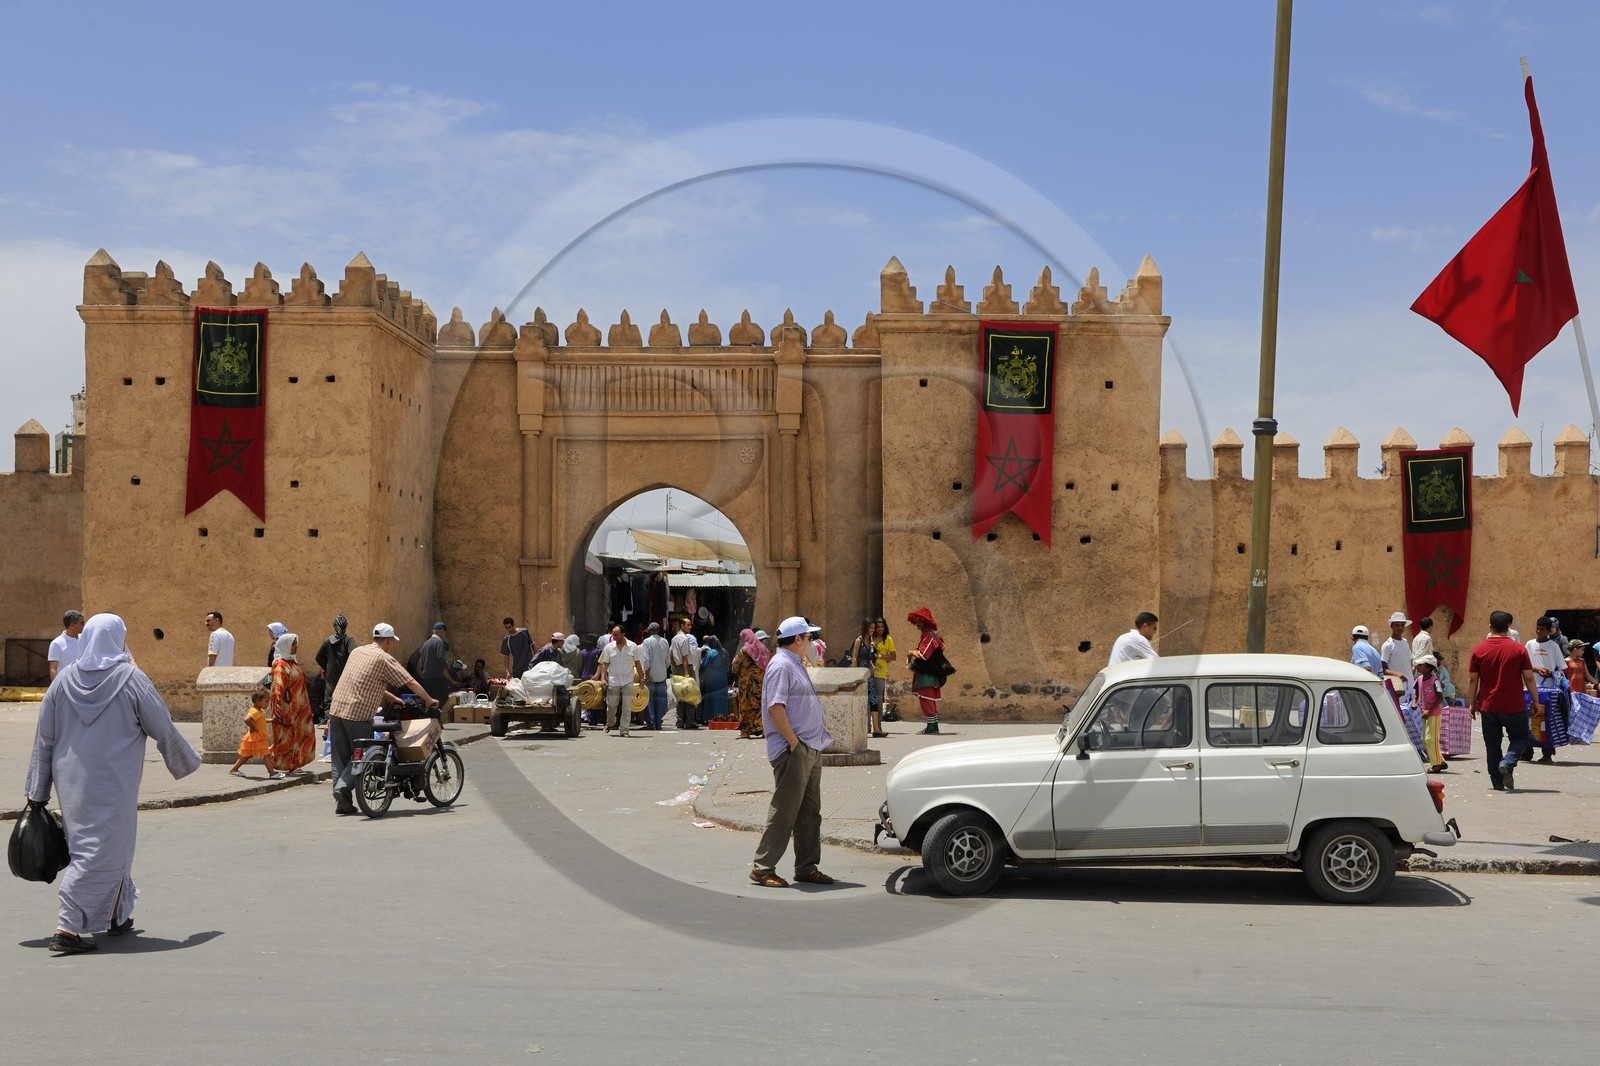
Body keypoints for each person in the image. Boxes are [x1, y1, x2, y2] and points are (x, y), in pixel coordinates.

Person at [24, 613, 201, 953]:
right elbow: (161, 724)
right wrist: (186, 761)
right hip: (114, 781)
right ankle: (68, 927)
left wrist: (37, 791)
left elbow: (44, 739)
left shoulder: (62, 681)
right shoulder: (132, 679)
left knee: (105, 846)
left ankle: (116, 914)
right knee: (96, 850)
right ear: (118, 639)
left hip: (70, 780)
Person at [748, 616, 837, 889]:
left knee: (810, 811)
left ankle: (807, 866)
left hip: (810, 745)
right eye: (809, 637)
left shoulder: (795, 663)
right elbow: (776, 708)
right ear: (797, 639)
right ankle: (763, 868)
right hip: (793, 749)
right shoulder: (781, 666)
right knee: (785, 810)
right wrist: (794, 743)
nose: (812, 641)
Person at [327, 623, 437, 816]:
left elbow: (365, 679)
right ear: (388, 640)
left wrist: (391, 698)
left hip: (336, 709)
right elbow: (409, 681)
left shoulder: (358, 652)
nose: (391, 645)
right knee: (363, 755)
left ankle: (342, 802)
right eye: (391, 642)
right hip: (357, 713)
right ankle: (342, 788)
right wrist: (429, 699)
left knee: (340, 757)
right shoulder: (384, 658)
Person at [1467, 611, 1541, 792]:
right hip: (1514, 705)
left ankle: (1498, 783)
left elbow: (1472, 680)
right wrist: (1536, 701)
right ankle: (1508, 762)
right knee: (1521, 738)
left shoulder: (1479, 649)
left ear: (1490, 627)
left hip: (1488, 706)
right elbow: (1529, 678)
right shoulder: (1519, 649)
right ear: (1509, 627)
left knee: (1492, 745)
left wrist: (1471, 703)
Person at [266, 632, 315, 778]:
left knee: (300, 736)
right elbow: (277, 689)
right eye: (293, 644)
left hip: (300, 710)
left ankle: (295, 764)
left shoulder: (292, 662)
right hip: (287, 709)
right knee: (287, 738)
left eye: (296, 644)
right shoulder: (280, 665)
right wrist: (279, 710)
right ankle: (288, 766)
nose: (295, 647)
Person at [907, 607, 952, 735]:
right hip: (933, 673)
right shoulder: (933, 634)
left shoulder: (928, 635)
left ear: (925, 622)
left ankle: (931, 727)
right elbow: (942, 647)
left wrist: (911, 653)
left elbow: (924, 654)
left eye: (919, 622)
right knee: (930, 699)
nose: (917, 625)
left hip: (927, 674)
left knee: (926, 699)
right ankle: (934, 726)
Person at [1526, 616, 1564, 765]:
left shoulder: (1553, 646)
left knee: (1547, 721)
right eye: (1537, 628)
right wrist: (1535, 669)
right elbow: (1523, 664)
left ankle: (1547, 753)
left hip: (1548, 690)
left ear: (1549, 631)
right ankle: (1527, 751)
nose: (1539, 631)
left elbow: (1561, 668)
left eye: (1542, 629)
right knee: (1529, 719)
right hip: (1530, 689)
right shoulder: (1529, 644)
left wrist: (1550, 673)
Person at [598, 624, 644, 736]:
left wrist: (642, 678)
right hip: (613, 680)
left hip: (628, 680)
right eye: (613, 635)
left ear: (623, 634)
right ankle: (610, 722)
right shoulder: (609, 648)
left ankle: (624, 730)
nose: (614, 637)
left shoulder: (633, 646)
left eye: (616, 635)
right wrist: (603, 678)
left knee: (627, 707)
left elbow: (637, 663)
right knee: (612, 705)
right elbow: (605, 665)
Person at [845, 619, 885, 738]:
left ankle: (876, 729)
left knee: (873, 701)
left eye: (874, 628)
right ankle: (860, 728)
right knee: (860, 701)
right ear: (866, 628)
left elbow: (869, 657)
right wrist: (856, 675)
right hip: (860, 675)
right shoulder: (859, 640)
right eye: (871, 628)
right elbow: (854, 658)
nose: (873, 630)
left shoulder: (870, 641)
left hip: (868, 675)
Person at [731, 628, 770, 738]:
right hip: (760, 683)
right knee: (760, 705)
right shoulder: (763, 649)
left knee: (746, 706)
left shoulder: (745, 650)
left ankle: (746, 732)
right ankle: (761, 729)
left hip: (747, 685)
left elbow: (735, 665)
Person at [229, 684, 274, 777]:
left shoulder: (258, 710)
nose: (267, 704)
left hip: (254, 737)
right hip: (256, 737)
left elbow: (261, 721)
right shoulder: (255, 711)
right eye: (266, 701)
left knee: (247, 755)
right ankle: (272, 773)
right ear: (258, 701)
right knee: (266, 754)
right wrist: (253, 728)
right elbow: (247, 719)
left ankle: (234, 769)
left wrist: (272, 720)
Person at [1415, 654, 1446, 773]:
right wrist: (1414, 702)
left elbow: (1440, 698)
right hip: (1425, 713)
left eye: (1420, 665)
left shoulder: (1434, 681)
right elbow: (1417, 691)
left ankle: (1436, 764)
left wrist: (1429, 710)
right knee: (1425, 740)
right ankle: (1440, 760)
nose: (1417, 666)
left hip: (1434, 713)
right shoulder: (1419, 679)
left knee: (1430, 739)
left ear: (1427, 668)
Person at [639, 621, 671, 730]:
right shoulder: (665, 641)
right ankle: (658, 723)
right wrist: (664, 668)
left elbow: (646, 659)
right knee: (660, 700)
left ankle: (651, 722)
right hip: (662, 674)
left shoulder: (647, 641)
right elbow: (668, 660)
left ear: (650, 630)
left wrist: (646, 673)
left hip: (651, 675)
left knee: (649, 699)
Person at [670, 618, 701, 729]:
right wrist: (686, 673)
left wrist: (675, 668)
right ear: (682, 625)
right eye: (688, 625)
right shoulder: (684, 639)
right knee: (690, 694)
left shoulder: (674, 639)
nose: (690, 627)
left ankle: (680, 721)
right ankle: (690, 721)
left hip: (678, 668)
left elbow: (671, 657)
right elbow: (684, 657)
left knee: (680, 695)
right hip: (685, 668)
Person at [417, 622, 457, 701]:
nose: (444, 635)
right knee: (443, 697)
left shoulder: (426, 643)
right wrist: (447, 665)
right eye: (444, 632)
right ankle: (436, 713)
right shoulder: (439, 642)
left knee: (431, 699)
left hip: (426, 677)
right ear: (442, 631)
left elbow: (422, 660)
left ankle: (430, 713)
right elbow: (440, 658)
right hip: (436, 677)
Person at [1380, 612, 1414, 702]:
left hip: (1410, 685)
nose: (1400, 628)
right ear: (1391, 626)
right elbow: (1383, 669)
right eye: (1397, 625)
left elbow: (1408, 662)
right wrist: (1397, 674)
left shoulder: (1405, 642)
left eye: (1402, 625)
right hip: (1398, 687)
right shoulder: (1388, 645)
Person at [871, 616, 898, 725]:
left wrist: (881, 656)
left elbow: (893, 656)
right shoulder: (870, 638)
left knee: (878, 697)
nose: (880, 629)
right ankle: (868, 723)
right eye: (878, 627)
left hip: (880, 671)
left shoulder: (888, 640)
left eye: (882, 626)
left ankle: (878, 722)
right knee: (868, 696)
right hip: (869, 670)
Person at [48, 609, 85, 682]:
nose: (84, 625)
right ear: (72, 625)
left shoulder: (84, 638)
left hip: (82, 683)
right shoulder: (57, 643)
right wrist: (56, 688)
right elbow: (53, 668)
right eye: (82, 623)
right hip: (65, 684)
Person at [699, 636, 730, 723]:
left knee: (712, 697)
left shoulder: (711, 653)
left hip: (713, 679)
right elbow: (728, 666)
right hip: (723, 678)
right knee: (722, 698)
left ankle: (710, 717)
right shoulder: (725, 652)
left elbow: (704, 666)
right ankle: (723, 716)